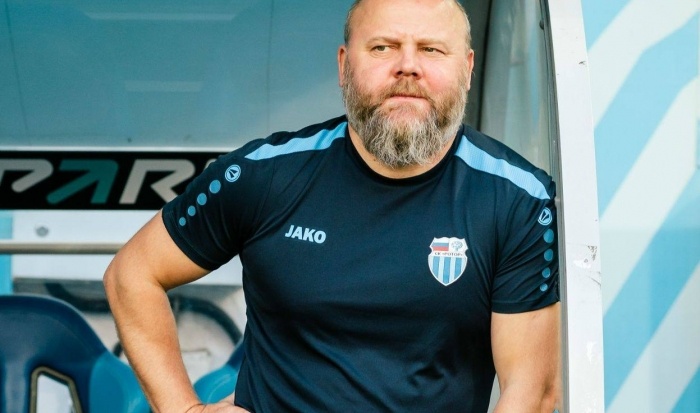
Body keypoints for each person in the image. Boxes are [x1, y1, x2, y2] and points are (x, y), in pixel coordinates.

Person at [104, 0, 561, 412]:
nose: (407, 67)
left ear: (467, 68)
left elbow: (532, 392)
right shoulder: (263, 176)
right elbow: (133, 275)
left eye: (431, 49)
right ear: (344, 65)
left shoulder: (517, 200)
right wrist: (184, 409)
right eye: (382, 47)